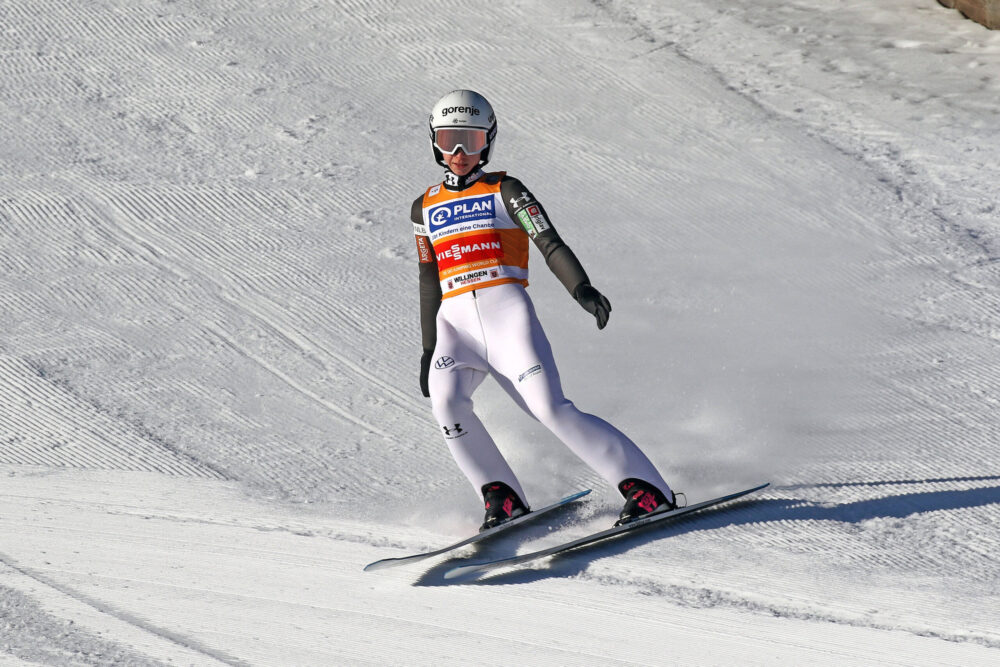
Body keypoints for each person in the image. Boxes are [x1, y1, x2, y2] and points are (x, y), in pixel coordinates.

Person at [411, 89, 675, 531]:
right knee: (447, 405)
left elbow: (547, 241)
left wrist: (582, 288)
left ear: (488, 142)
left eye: (471, 141)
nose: (459, 153)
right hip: (453, 325)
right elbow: (427, 277)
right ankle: (501, 498)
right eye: (449, 139)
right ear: (433, 141)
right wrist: (427, 348)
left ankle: (647, 490)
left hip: (505, 314)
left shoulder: (506, 190)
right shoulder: (423, 207)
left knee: (551, 409)